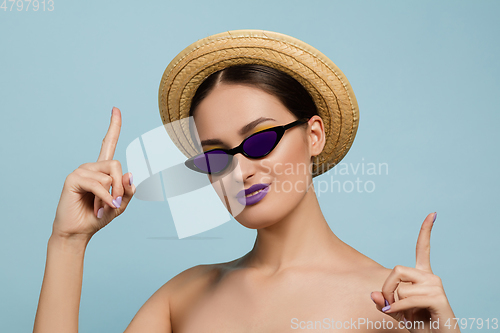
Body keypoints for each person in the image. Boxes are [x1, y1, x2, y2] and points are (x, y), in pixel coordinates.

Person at [33, 30, 460, 333]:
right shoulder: (183, 296)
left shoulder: (394, 306)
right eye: (216, 156)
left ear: (314, 135)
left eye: (258, 141)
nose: (239, 171)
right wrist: (67, 243)